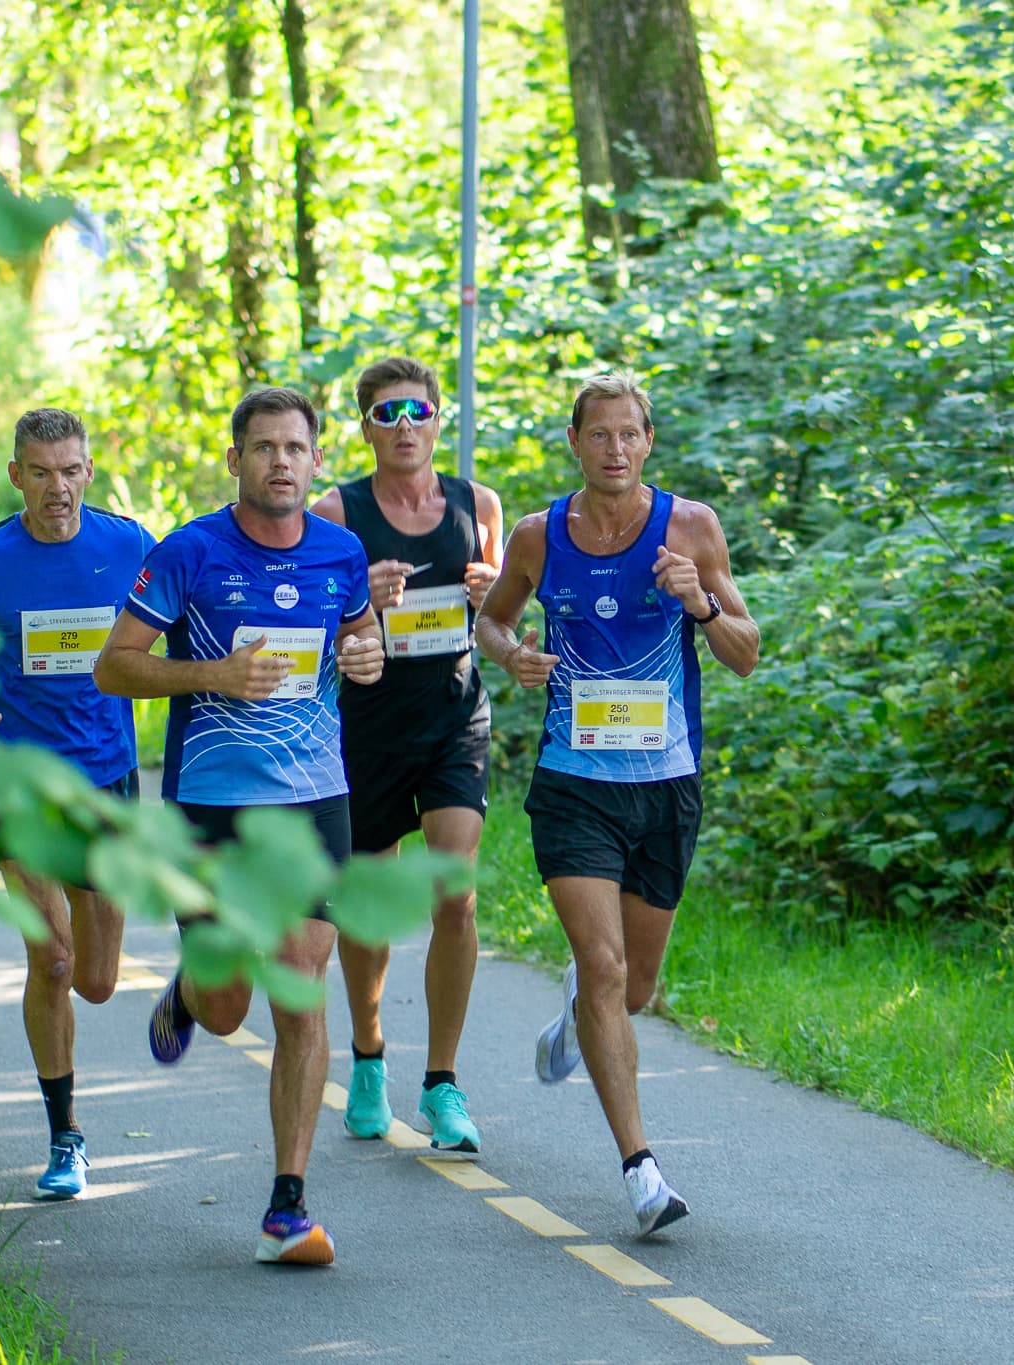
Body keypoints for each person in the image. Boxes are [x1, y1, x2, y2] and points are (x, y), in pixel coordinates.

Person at [93, 386, 386, 1266]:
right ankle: (191, 988)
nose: (281, 463)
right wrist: (212, 673)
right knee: (227, 1010)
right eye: (263, 448)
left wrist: (368, 654)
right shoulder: (190, 551)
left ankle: (288, 1204)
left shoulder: (341, 551)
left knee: (300, 979)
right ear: (236, 460)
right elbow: (115, 667)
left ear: (314, 458)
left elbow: (361, 641)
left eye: (296, 448)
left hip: (312, 800)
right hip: (212, 803)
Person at [473, 371, 759, 1236]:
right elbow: (491, 622)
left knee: (630, 988)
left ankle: (578, 1012)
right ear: (576, 443)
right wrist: (512, 653)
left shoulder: (691, 528)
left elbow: (745, 652)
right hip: (573, 784)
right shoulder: (536, 536)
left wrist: (698, 599)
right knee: (603, 968)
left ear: (649, 441)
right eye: (599, 435)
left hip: (666, 786)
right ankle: (641, 1168)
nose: (615, 449)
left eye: (629, 433)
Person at [0, 408, 155, 1201]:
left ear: (89, 470)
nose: (58, 486)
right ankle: (66, 1136)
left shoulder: (127, 545)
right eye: (41, 471)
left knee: (96, 978)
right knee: (50, 960)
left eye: (71, 469)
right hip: (14, 782)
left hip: (106, 777)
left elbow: (187, 622)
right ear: (17, 474)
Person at [310, 357, 504, 1156]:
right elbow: (310, 631)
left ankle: (443, 1083)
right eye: (385, 414)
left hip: (453, 716)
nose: (403, 427)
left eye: (415, 412)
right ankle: (367, 1056)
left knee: (453, 896)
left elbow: (504, 616)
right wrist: (362, 607)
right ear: (365, 427)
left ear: (436, 419)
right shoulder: (338, 510)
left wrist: (495, 597)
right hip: (364, 728)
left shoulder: (476, 503)